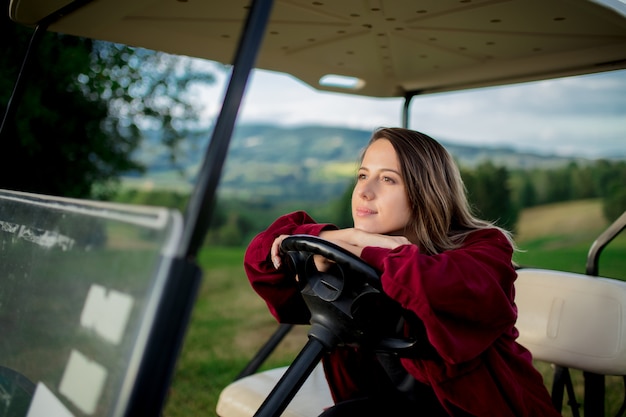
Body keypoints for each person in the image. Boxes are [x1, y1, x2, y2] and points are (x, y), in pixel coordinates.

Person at [244, 128, 560, 416]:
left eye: (388, 179)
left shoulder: (484, 249)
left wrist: (363, 246)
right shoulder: (347, 252)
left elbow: (438, 284)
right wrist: (331, 239)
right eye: (363, 175)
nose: (365, 192)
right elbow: (263, 262)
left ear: (426, 191)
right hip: (387, 402)